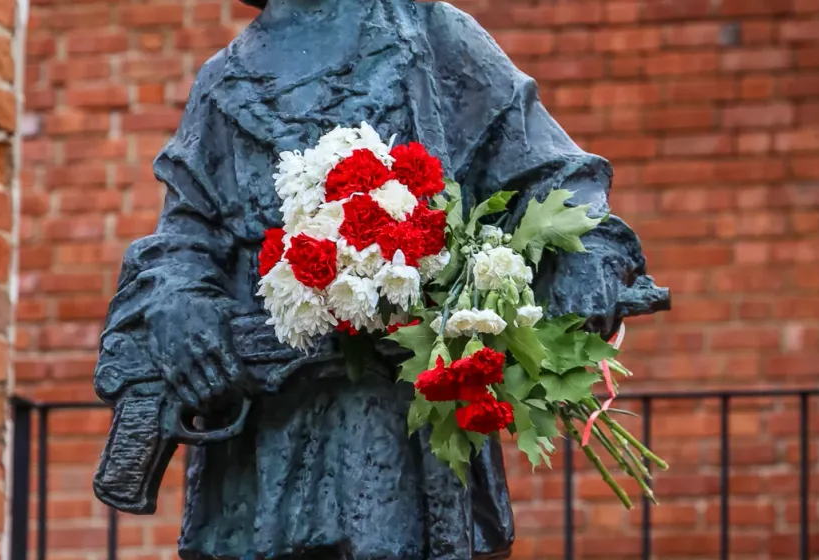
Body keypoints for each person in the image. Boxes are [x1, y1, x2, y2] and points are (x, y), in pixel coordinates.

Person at [95, 1, 669, 559]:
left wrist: (586, 253)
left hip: (397, 415)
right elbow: (182, 238)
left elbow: (557, 174)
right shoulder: (221, 79)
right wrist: (181, 306)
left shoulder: (429, 32)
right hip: (264, 423)